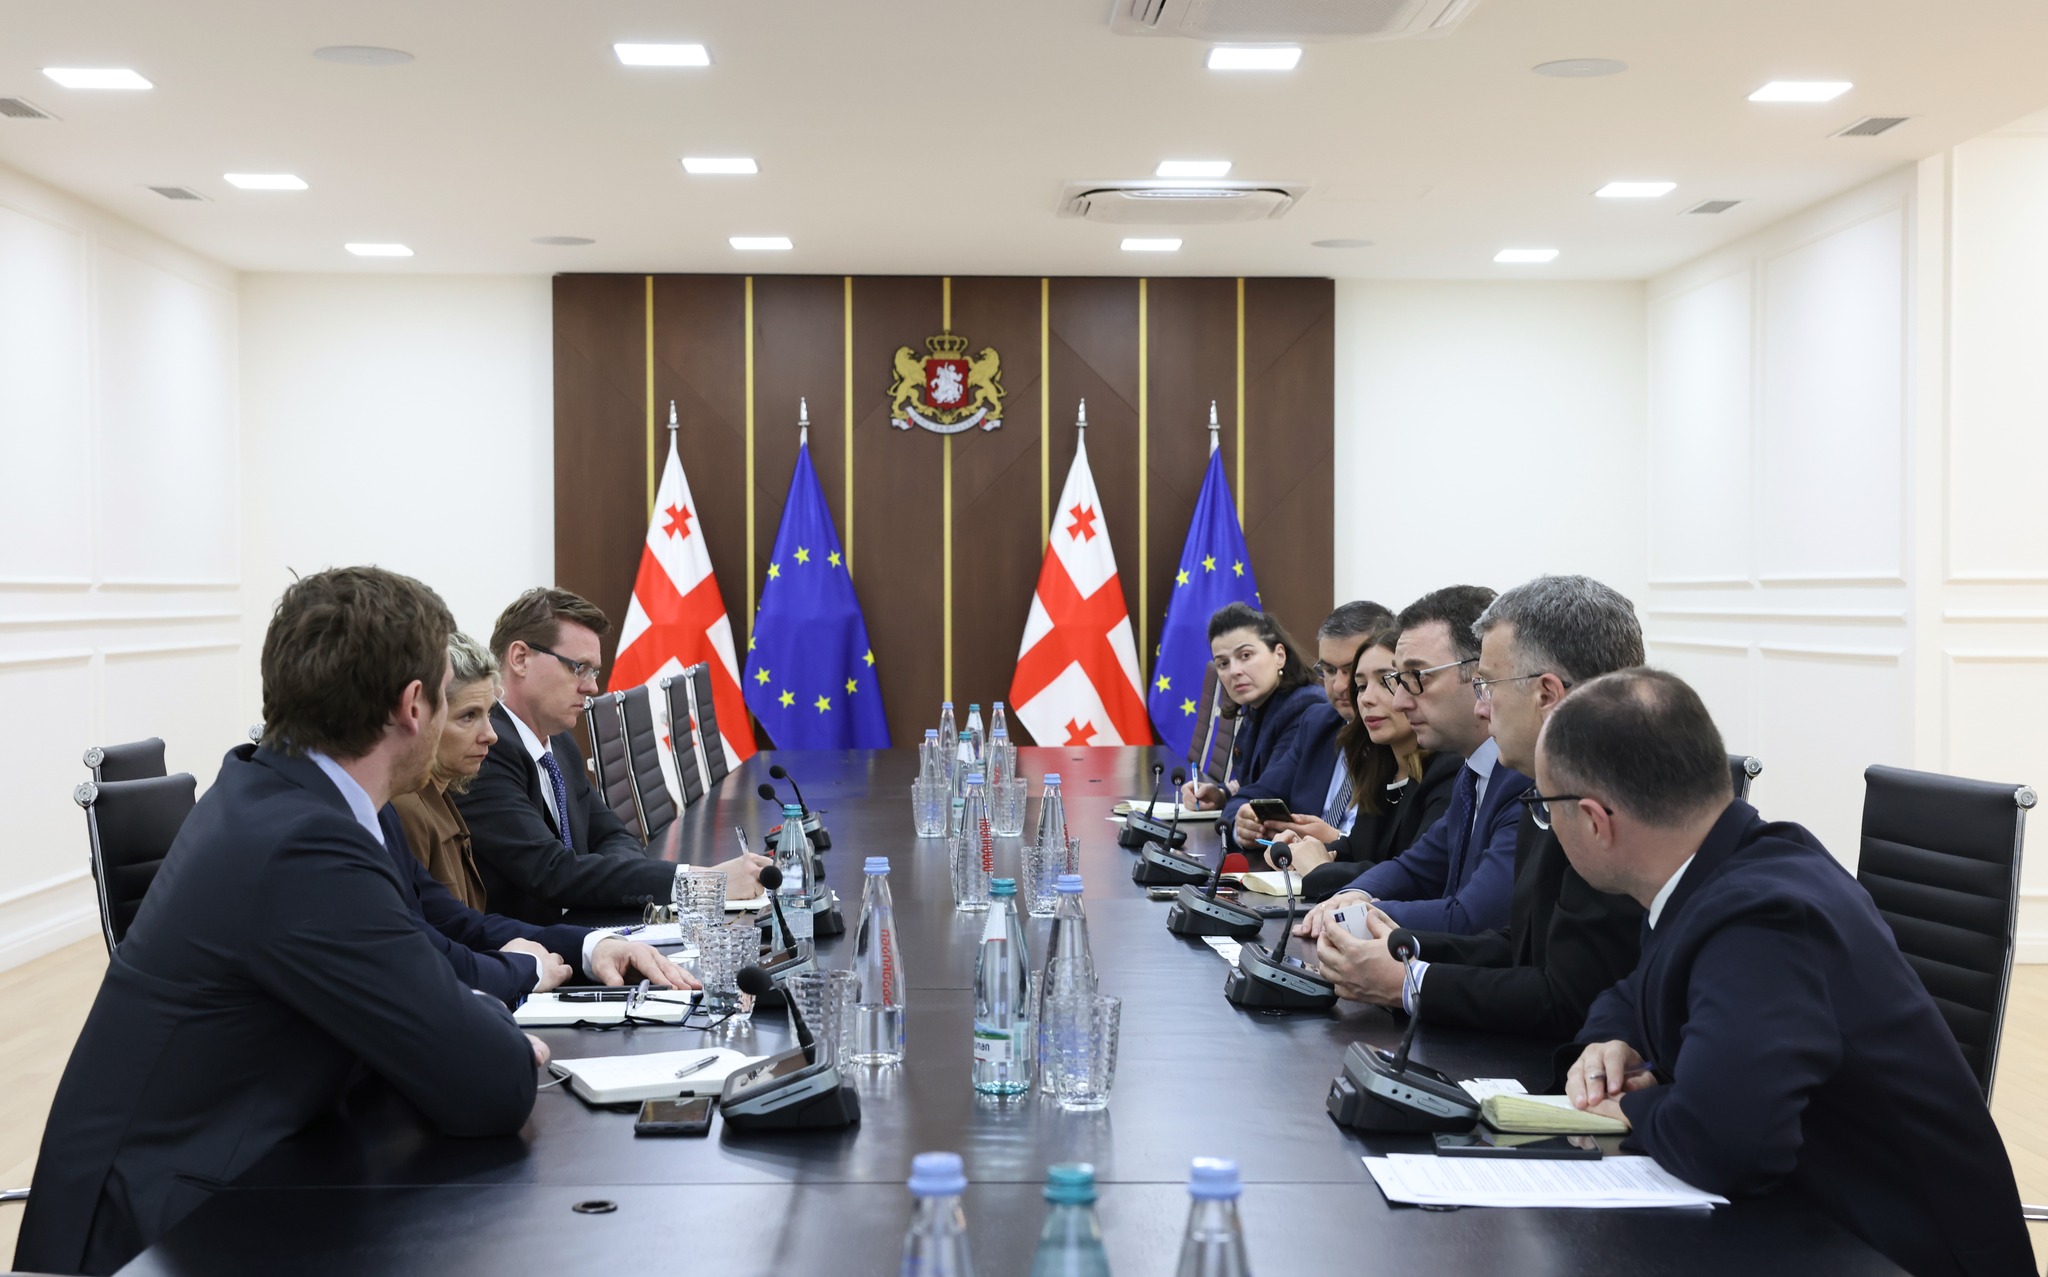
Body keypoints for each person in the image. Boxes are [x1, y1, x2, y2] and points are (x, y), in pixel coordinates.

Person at [16, 567, 542, 1276]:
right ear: (413, 705)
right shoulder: (305, 845)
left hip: (232, 1187)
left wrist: (461, 1014)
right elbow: (492, 1085)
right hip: (159, 1238)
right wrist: (492, 1025)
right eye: (452, 698)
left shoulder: (271, 790)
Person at [1551, 670, 2031, 1277]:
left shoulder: (1763, 916)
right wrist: (1610, 1040)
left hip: (1890, 1252)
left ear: (1594, 820)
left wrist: (1632, 1108)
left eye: (1545, 809)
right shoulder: (1729, 866)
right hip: (1814, 1218)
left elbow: (1724, 1141)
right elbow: (1637, 988)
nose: (1549, 827)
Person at [1312, 575, 1648, 1041]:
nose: (1481, 707)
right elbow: (1521, 947)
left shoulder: (1611, 804)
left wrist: (1408, 981)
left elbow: (1567, 999)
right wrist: (1397, 947)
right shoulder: (1549, 782)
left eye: (1488, 684)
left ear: (1546, 695)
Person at [388, 631, 695, 1007]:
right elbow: (438, 951)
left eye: (488, 714)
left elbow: (460, 925)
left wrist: (595, 944)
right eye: (469, 717)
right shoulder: (406, 808)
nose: (490, 735)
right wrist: (526, 968)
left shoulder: (550, 746)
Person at [456, 588, 768, 924]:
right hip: (532, 946)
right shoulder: (485, 751)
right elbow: (552, 871)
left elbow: (613, 835)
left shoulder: (558, 743)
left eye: (593, 672)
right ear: (520, 658)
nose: (591, 687)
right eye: (578, 668)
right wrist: (701, 884)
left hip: (589, 924)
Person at [1294, 585, 1527, 937]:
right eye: (1397, 680)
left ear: (1478, 674)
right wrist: (1352, 895)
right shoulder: (1473, 772)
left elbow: (1473, 919)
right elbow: (1417, 868)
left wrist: (1352, 917)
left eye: (1416, 677)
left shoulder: (1521, 777)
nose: (1399, 701)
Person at [1272, 622, 1462, 900]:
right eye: (1361, 686)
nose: (1367, 699)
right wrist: (1302, 849)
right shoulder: (1380, 768)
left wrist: (1321, 868)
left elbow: (1414, 879)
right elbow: (1360, 850)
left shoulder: (1449, 769)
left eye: (1386, 682)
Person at [1220, 600, 1391, 860]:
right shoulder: (1319, 723)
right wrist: (1242, 824)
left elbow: (1403, 856)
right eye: (1329, 670)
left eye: (1351, 671)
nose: (1338, 686)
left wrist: (1338, 841)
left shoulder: (1403, 741)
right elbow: (1250, 796)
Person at [1178, 603, 1324, 812]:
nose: (1234, 671)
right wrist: (1221, 795)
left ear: (1279, 655)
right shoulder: (1259, 706)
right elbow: (1252, 781)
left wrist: (1230, 813)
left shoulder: (1304, 707)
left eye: (1245, 655)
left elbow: (1268, 795)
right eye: (1223, 663)